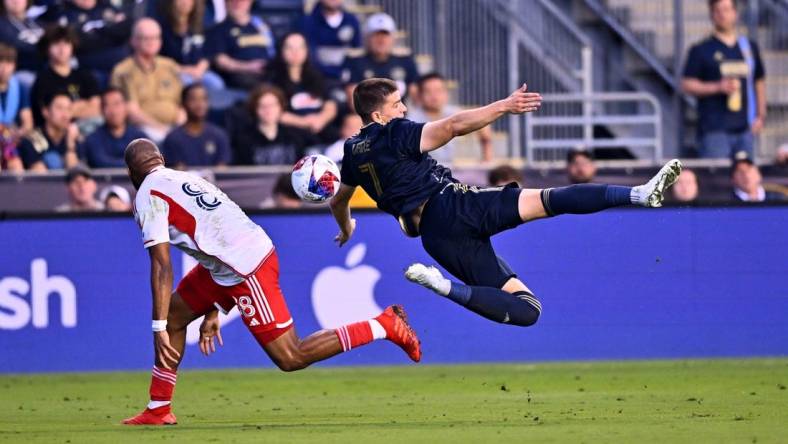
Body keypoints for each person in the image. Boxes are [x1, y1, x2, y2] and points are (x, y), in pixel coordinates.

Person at [329, 78, 682, 328]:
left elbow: (339, 201)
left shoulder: (351, 151)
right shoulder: (396, 132)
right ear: (377, 116)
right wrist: (505, 106)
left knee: (528, 310)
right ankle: (638, 193)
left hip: (436, 238)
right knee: (552, 199)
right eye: (396, 105)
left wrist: (346, 228)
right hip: (453, 206)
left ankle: (443, 287)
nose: (404, 109)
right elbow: (452, 125)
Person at [121, 138, 420, 425]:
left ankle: (383, 324)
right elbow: (207, 232)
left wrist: (156, 327)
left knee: (291, 356)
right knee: (175, 315)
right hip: (232, 259)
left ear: (131, 173)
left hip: (246, 267)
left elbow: (162, 265)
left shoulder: (148, 195)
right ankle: (159, 409)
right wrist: (212, 307)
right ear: (160, 160)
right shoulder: (185, 178)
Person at [681, 0, 766, 159]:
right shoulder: (701, 49)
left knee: (746, 179)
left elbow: (759, 80)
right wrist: (717, 87)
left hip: (745, 129)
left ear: (735, 13)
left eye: (726, 9)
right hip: (714, 130)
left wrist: (760, 115)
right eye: (717, 10)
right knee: (717, 180)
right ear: (711, 15)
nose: (722, 14)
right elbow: (687, 84)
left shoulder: (748, 48)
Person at [111, 18, 183, 142]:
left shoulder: (170, 66)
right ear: (133, 41)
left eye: (155, 38)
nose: (151, 42)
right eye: (146, 38)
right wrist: (162, 129)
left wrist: (181, 126)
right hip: (143, 129)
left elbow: (182, 103)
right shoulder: (123, 71)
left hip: (175, 127)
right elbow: (132, 112)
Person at [267, 32, 338, 143]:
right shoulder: (273, 80)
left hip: (321, 128)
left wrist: (321, 119)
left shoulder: (317, 77)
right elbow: (273, 112)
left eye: (300, 48)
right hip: (291, 133)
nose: (295, 52)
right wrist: (304, 122)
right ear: (281, 51)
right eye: (289, 48)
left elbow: (330, 106)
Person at [407, 73, 492, 165]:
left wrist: (487, 159)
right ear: (419, 95)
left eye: (439, 91)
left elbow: (481, 123)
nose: (434, 96)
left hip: (452, 169)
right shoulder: (411, 121)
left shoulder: (452, 113)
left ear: (446, 93)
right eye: (428, 92)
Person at [342, 13, 419, 108]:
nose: (381, 40)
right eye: (376, 35)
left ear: (393, 38)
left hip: (400, 116)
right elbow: (353, 102)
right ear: (367, 38)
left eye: (385, 35)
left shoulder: (404, 60)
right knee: (352, 122)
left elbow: (416, 96)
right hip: (368, 117)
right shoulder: (355, 61)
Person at [41, 0, 131, 80]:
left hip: (121, 66)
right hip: (87, 69)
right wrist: (110, 33)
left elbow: (127, 29)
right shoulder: (61, 12)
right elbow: (77, 41)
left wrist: (95, 32)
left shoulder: (107, 6)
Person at [30, 25, 100, 127]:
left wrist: (67, 109)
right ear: (47, 48)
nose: (62, 48)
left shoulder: (84, 75)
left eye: (66, 43)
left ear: (72, 47)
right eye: (56, 43)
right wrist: (82, 105)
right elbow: (48, 115)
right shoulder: (43, 80)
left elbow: (97, 108)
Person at [231, 85, 317, 166]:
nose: (268, 110)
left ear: (280, 107)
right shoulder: (243, 138)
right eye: (262, 106)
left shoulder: (295, 135)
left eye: (272, 105)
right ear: (254, 109)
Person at [156, 0, 224, 96]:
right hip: (174, 72)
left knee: (216, 84)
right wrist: (184, 70)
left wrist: (200, 68)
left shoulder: (201, 25)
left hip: (199, 71)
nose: (185, 2)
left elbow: (208, 53)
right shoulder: (163, 27)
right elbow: (160, 58)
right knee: (188, 84)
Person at [205, 0, 275, 90]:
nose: (237, 4)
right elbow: (221, 61)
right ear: (225, 3)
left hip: (269, 72)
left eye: (242, 1)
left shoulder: (263, 26)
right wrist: (249, 67)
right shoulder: (217, 30)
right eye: (232, 1)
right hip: (240, 76)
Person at [162, 82, 230, 168]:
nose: (200, 104)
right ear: (183, 104)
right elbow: (178, 173)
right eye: (193, 99)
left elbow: (222, 171)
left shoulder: (219, 135)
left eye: (204, 99)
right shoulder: (173, 138)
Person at [297, 0, 361, 81]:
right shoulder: (307, 22)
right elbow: (310, 58)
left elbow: (356, 53)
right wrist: (335, 73)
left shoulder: (352, 21)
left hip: (347, 78)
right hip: (316, 78)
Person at [84, 87, 147, 168]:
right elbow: (100, 162)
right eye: (108, 105)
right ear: (102, 110)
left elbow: (147, 161)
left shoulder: (139, 137)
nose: (113, 111)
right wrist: (134, 164)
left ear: (125, 106)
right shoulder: (93, 139)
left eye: (117, 104)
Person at [17, 91, 80, 171]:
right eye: (59, 108)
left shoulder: (74, 138)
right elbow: (39, 177)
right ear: (45, 111)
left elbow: (76, 175)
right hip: (42, 183)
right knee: (52, 159)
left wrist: (70, 145)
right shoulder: (31, 140)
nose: (65, 115)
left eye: (68, 109)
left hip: (68, 183)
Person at [0, 0, 45, 75]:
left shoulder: (38, 23)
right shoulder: (2, 25)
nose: (15, 1)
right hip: (21, 71)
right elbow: (14, 45)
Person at [0, 43, 33, 134]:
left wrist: (15, 136)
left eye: (9, 62)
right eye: (0, 62)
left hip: (12, 140)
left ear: (14, 66)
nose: (4, 68)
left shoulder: (20, 87)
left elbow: (28, 124)